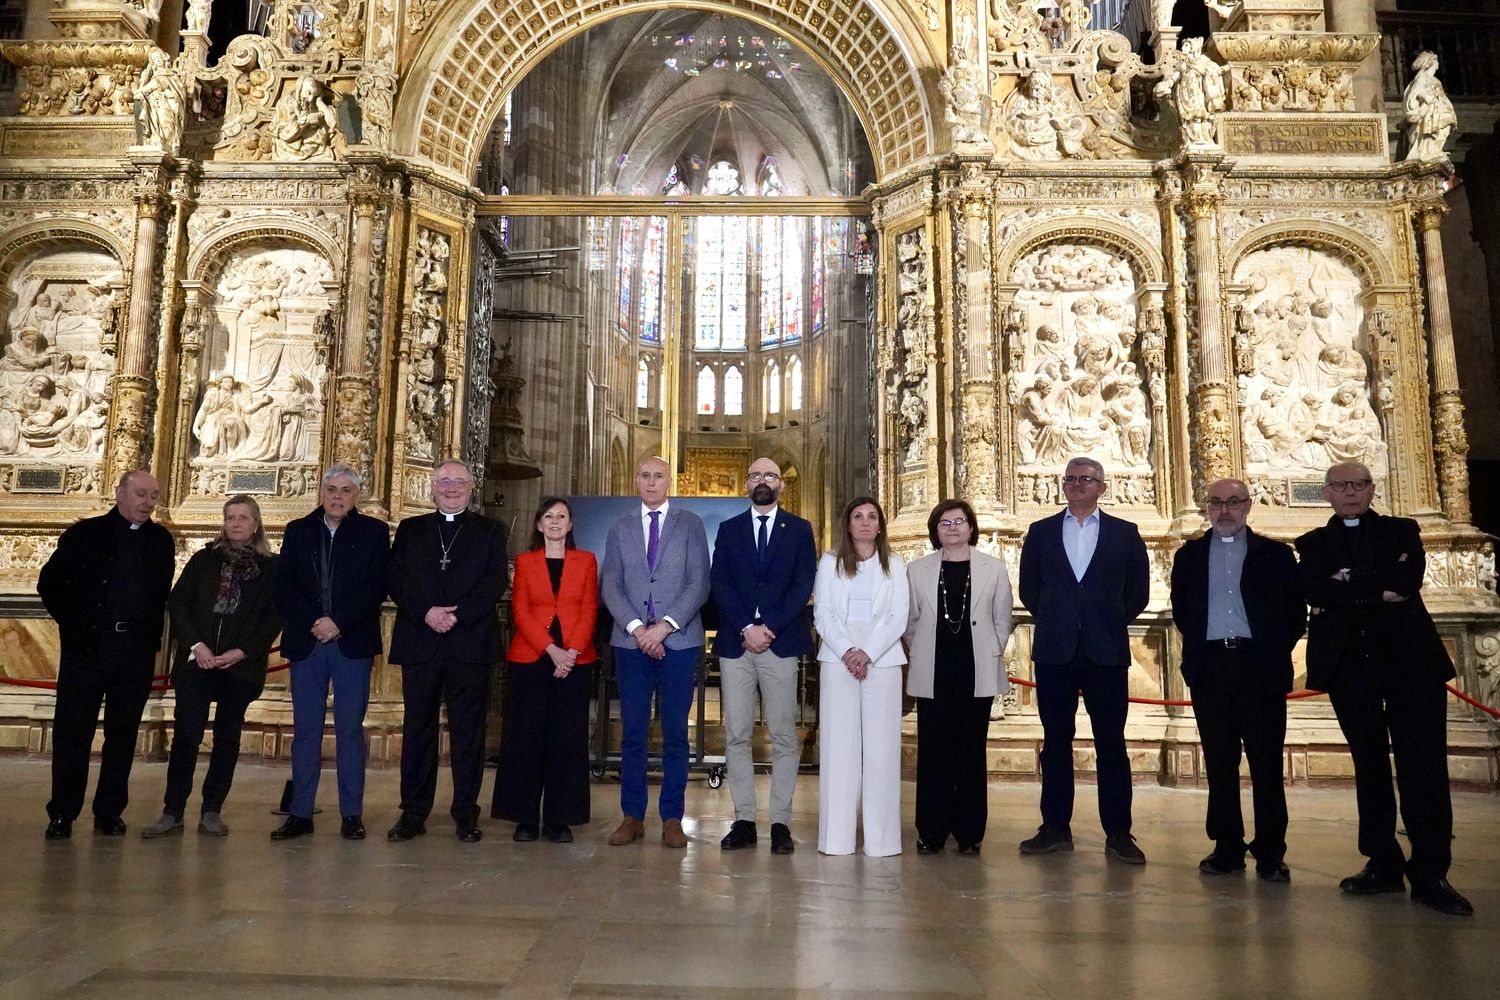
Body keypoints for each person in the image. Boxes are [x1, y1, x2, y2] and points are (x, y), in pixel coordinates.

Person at [1295, 462, 1473, 916]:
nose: (1350, 492)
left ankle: (1431, 871)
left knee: (1424, 765)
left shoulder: (1402, 530)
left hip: (1411, 664)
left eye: (1358, 484)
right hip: (1350, 667)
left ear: (1372, 489)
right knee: (1369, 764)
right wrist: (1374, 586)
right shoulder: (1313, 544)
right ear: (1328, 493)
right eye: (1340, 486)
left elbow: (1406, 583)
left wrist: (1349, 580)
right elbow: (1317, 590)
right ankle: (1382, 863)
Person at [1169, 478, 1305, 881]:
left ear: (1248, 506)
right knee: (1220, 761)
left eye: (1232, 503)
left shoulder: (1276, 555)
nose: (1224, 510)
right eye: (1216, 503)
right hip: (1211, 666)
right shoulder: (1190, 555)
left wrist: (1271, 649)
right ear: (1207, 508)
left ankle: (1270, 851)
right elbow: (1183, 610)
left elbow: (1295, 614)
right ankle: (1226, 845)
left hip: (1258, 666)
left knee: (1265, 763)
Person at [1017, 456, 1150, 863]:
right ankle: (1055, 828)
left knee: (1112, 743)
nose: (1077, 484)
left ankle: (1119, 834)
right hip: (1056, 651)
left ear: (1101, 487)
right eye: (1071, 478)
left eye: (1086, 479)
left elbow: (1138, 593)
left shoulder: (1125, 534)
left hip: (1105, 652)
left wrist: (1101, 621)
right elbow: (1029, 589)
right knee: (1055, 743)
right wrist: (1062, 620)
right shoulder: (1040, 533)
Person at [38, 471, 175, 839]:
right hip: (88, 650)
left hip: (134, 653)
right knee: (73, 732)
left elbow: (159, 597)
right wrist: (76, 626)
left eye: (154, 496)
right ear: (120, 494)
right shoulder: (85, 535)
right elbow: (49, 584)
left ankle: (109, 811)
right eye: (141, 494)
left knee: (123, 734)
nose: (147, 502)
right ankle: (63, 812)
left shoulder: (161, 541)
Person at [142, 496, 282, 838]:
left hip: (239, 665)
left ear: (256, 523)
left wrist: (243, 651)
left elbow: (274, 614)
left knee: (227, 738)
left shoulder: (271, 567)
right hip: (198, 662)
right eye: (231, 517)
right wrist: (197, 645)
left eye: (243, 518)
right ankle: (173, 810)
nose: (236, 523)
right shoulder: (205, 560)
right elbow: (179, 603)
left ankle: (212, 810)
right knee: (186, 736)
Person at [386, 460, 509, 843]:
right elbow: (395, 577)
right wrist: (426, 613)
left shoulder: (490, 530)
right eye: (444, 482)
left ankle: (465, 814)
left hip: (468, 642)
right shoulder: (411, 529)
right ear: (432, 488)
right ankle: (413, 813)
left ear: (472, 488)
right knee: (417, 730)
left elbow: (494, 581)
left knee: (467, 734)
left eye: (459, 482)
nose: (452, 488)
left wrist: (458, 616)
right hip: (421, 641)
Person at [272, 464, 390, 841]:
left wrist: (338, 621)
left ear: (356, 496)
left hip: (349, 642)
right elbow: (285, 585)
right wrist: (315, 621)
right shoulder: (298, 531)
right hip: (309, 643)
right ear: (321, 494)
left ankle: (351, 814)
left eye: (345, 491)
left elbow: (377, 586)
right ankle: (300, 813)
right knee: (306, 731)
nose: (337, 497)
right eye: (331, 490)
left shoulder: (373, 532)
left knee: (350, 730)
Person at [600, 455, 711, 849]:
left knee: (676, 734)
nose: (651, 482)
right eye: (644, 475)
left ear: (669, 483)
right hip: (630, 644)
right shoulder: (620, 527)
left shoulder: (691, 524)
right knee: (632, 733)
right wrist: (636, 628)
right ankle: (632, 815)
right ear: (636, 481)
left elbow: (699, 583)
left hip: (679, 643)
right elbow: (611, 584)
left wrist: (663, 627)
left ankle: (672, 818)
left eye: (658, 476)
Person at [710, 457, 817, 854]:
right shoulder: (729, 529)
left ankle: (779, 823)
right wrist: (744, 627)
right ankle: (742, 820)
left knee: (784, 736)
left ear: (781, 485)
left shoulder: (799, 530)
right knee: (737, 735)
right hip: (737, 644)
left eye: (769, 475)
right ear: (746, 485)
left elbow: (803, 582)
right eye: (755, 475)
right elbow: (719, 580)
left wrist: (768, 626)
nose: (762, 481)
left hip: (780, 642)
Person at [903, 499, 1013, 855]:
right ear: (936, 530)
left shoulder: (993, 569)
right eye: (944, 523)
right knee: (933, 751)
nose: (952, 528)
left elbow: (1002, 617)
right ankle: (931, 831)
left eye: (959, 521)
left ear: (971, 528)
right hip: (933, 669)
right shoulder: (917, 570)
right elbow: (910, 621)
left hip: (975, 669)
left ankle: (969, 833)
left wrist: (991, 646)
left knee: (970, 750)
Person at [492, 497, 598, 844]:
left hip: (574, 659)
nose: (555, 522)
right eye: (548, 516)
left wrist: (570, 652)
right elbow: (520, 610)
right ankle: (524, 816)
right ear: (539, 524)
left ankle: (559, 817)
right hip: (532, 658)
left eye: (562, 517)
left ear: (570, 525)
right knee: (526, 737)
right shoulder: (525, 562)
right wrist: (551, 650)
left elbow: (589, 609)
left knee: (566, 739)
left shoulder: (585, 561)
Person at [813, 498, 908, 856]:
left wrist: (867, 652)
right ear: (848, 525)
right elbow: (823, 613)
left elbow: (898, 616)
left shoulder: (895, 565)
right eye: (858, 516)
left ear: (880, 525)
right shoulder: (829, 563)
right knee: (839, 749)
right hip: (839, 664)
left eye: (872, 517)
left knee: (882, 751)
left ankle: (881, 842)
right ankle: (836, 840)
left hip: (882, 664)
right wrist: (849, 651)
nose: (865, 523)